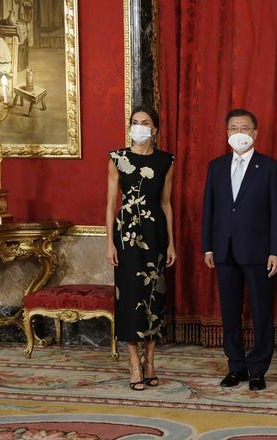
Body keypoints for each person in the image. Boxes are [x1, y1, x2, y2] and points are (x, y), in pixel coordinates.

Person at [202, 108, 277, 391]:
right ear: (226, 133)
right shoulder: (216, 166)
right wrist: (207, 247)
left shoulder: (270, 167)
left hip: (259, 252)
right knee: (230, 312)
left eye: (245, 128)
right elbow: (209, 210)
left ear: (255, 133)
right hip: (224, 251)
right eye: (233, 128)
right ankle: (235, 366)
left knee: (262, 312)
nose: (239, 133)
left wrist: (276, 251)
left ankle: (258, 369)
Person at [106, 105, 176, 391]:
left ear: (155, 129)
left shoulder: (165, 161)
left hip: (155, 233)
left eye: (145, 122)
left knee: (154, 298)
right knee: (130, 297)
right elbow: (111, 204)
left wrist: (172, 242)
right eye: (135, 122)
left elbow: (166, 203)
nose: (139, 127)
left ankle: (150, 360)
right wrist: (109, 242)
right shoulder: (117, 158)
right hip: (126, 236)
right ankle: (134, 363)